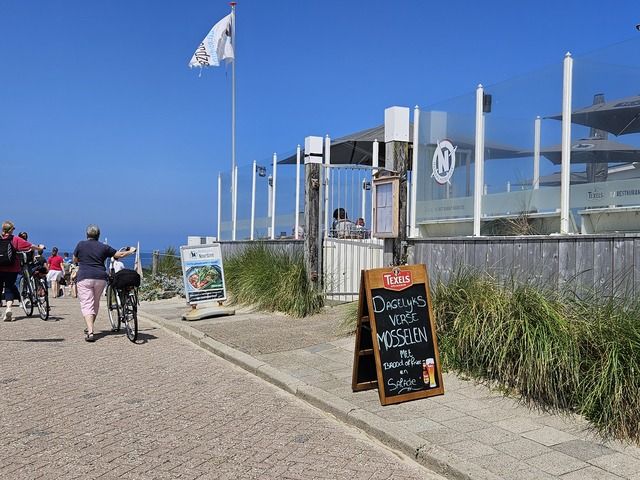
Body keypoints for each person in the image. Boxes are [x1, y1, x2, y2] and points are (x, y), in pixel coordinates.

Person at [73, 224, 135, 342]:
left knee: (87, 304)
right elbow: (119, 255)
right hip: (100, 278)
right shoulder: (103, 247)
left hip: (84, 277)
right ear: (98, 235)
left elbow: (75, 259)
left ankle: (90, 332)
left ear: (87, 235)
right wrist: (131, 251)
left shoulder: (81, 245)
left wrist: (84, 259)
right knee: (95, 303)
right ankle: (89, 326)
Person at [0, 221, 45, 322]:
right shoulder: (15, 239)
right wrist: (40, 248)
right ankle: (8, 308)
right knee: (9, 288)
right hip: (12, 268)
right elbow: (29, 246)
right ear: (11, 229)